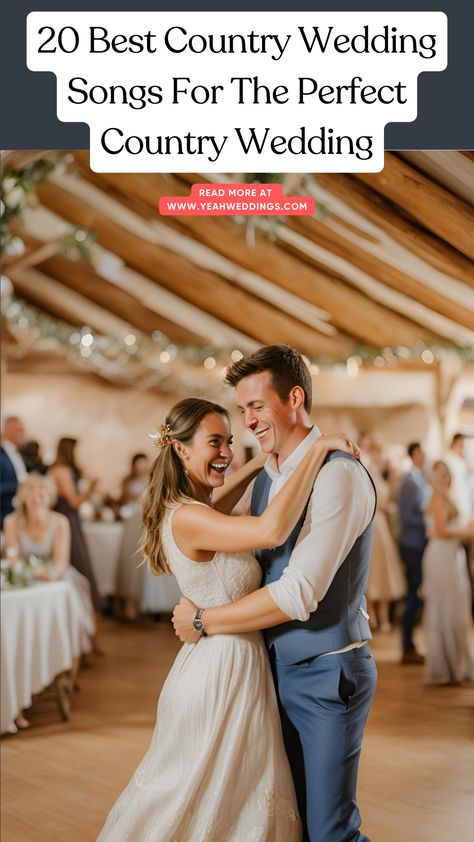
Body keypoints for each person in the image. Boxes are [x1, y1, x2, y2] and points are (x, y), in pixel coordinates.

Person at [97, 396, 358, 842]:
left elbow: (220, 496)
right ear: (180, 449)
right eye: (214, 442)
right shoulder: (190, 519)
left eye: (230, 441)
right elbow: (270, 530)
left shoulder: (193, 511)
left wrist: (262, 465)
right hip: (219, 675)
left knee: (228, 803)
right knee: (199, 802)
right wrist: (316, 450)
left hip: (231, 665)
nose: (226, 453)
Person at [173, 345, 378, 842]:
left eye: (257, 408)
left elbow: (298, 593)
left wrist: (204, 621)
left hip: (328, 673)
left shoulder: (339, 476)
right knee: (289, 823)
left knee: (331, 832)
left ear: (294, 398)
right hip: (270, 674)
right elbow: (214, 515)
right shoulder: (271, 475)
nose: (249, 422)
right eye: (243, 411)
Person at [2, 474, 96, 725]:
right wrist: (25, 572)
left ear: (49, 497)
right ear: (24, 497)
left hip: (58, 578)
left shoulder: (60, 521)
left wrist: (48, 574)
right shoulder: (12, 522)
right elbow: (12, 558)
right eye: (33, 493)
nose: (37, 497)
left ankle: (66, 670)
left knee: (71, 617)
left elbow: (60, 562)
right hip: (26, 580)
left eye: (42, 493)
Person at [421, 461, 474, 685]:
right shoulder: (437, 498)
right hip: (441, 555)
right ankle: (444, 667)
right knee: (444, 609)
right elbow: (440, 531)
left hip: (453, 555)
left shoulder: (449, 496)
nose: (444, 478)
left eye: (447, 474)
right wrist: (466, 532)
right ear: (433, 477)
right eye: (439, 474)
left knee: (457, 609)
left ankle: (458, 664)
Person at [49, 438, 103, 613]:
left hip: (73, 519)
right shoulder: (62, 470)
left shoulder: (68, 470)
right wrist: (91, 489)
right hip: (67, 519)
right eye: (76, 451)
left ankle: (81, 606)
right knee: (76, 561)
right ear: (69, 450)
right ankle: (76, 607)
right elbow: (74, 502)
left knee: (80, 559)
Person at [365, 443, 405, 631]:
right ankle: (372, 617)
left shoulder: (380, 475)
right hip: (372, 523)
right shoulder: (366, 473)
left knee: (384, 570)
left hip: (382, 525)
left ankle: (382, 617)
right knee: (372, 570)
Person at [398, 442, 431, 665]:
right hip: (412, 544)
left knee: (417, 594)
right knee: (412, 595)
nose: (424, 456)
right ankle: (407, 646)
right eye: (421, 452)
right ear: (414, 454)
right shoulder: (410, 481)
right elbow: (407, 516)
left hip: (421, 543)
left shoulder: (420, 478)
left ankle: (412, 645)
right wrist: (429, 521)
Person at [0, 416, 27, 528]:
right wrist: (20, 485)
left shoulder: (18, 453)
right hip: (3, 515)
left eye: (22, 430)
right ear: (4, 431)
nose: (22, 433)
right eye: (17, 430)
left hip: (19, 515)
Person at [444, 433, 472, 522]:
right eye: (462, 445)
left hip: (465, 503)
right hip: (457, 503)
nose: (463, 448)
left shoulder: (459, 460)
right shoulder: (448, 459)